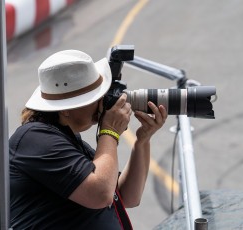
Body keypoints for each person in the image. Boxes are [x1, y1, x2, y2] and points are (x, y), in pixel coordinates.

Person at [9, 49, 167, 229]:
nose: (103, 104)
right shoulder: (34, 139)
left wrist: (143, 141)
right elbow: (100, 194)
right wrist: (110, 131)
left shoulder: (65, 139)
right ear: (65, 108)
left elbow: (127, 196)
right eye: (96, 98)